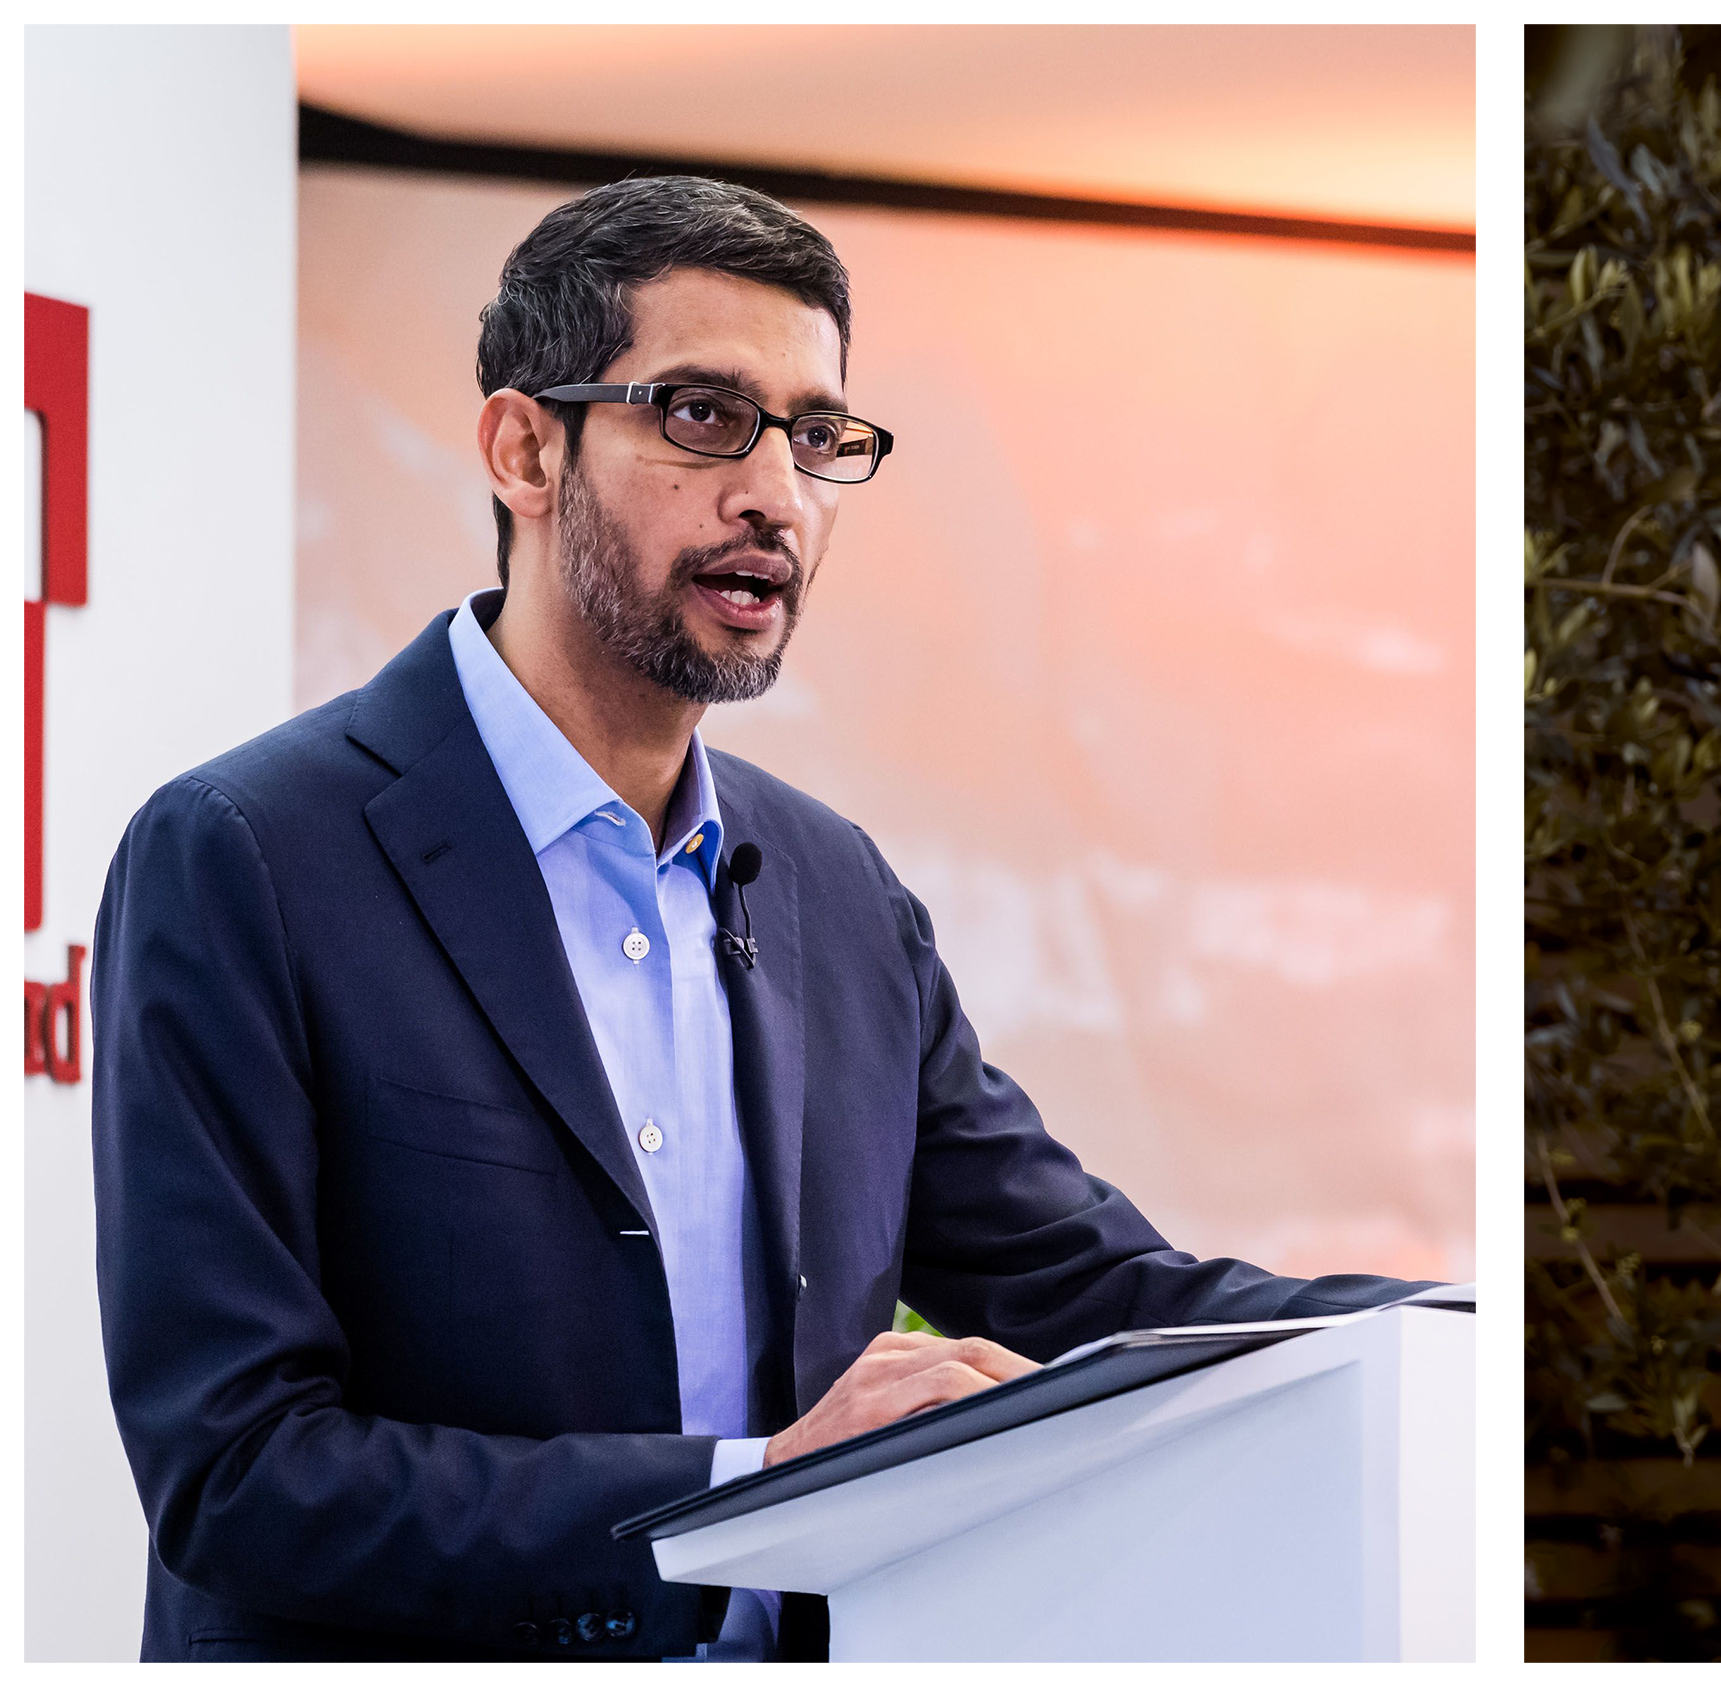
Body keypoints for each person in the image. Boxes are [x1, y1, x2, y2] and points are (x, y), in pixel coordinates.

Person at [90, 176, 1427, 1663]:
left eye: (816, 435)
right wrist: (753, 1493)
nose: (776, 495)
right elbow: (239, 1476)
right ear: (524, 447)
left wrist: (1454, 1332)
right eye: (704, 416)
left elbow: (1098, 1286)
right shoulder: (246, 859)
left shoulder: (839, 891)